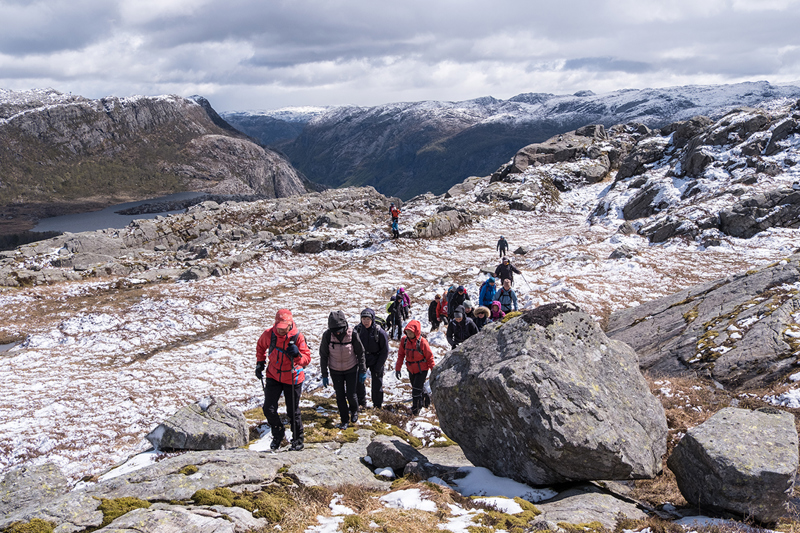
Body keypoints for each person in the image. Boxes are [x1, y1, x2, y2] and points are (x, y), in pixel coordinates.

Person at [255, 309, 312, 451]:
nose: (280, 331)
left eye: (283, 328)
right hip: (273, 375)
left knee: (293, 411)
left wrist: (298, 355)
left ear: (290, 324)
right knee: (268, 409)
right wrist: (260, 363)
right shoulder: (269, 334)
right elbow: (261, 346)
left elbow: (307, 359)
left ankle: (298, 439)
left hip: (293, 377)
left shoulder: (298, 337)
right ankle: (278, 434)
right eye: (278, 327)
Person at [320, 310, 366, 429]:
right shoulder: (327, 335)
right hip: (335, 370)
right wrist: (324, 374)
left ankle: (354, 411)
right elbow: (323, 355)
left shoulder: (352, 334)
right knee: (340, 396)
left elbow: (360, 353)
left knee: (351, 393)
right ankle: (344, 420)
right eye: (335, 330)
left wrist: (362, 370)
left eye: (340, 329)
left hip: (351, 368)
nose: (338, 333)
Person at [395, 320, 434, 416]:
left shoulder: (422, 342)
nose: (409, 334)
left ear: (416, 332)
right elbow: (401, 355)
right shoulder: (404, 340)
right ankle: (426, 400)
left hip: (422, 369)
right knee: (417, 387)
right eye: (407, 332)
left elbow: (430, 357)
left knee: (416, 389)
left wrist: (433, 371)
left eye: (411, 332)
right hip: (411, 369)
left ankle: (416, 408)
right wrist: (397, 368)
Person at [355, 308, 390, 409]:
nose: (365, 322)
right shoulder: (357, 330)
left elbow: (385, 350)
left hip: (376, 359)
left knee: (377, 383)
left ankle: (377, 405)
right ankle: (361, 403)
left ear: (372, 319)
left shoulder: (379, 332)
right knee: (359, 382)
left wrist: (379, 365)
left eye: (368, 319)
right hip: (362, 359)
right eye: (363, 319)